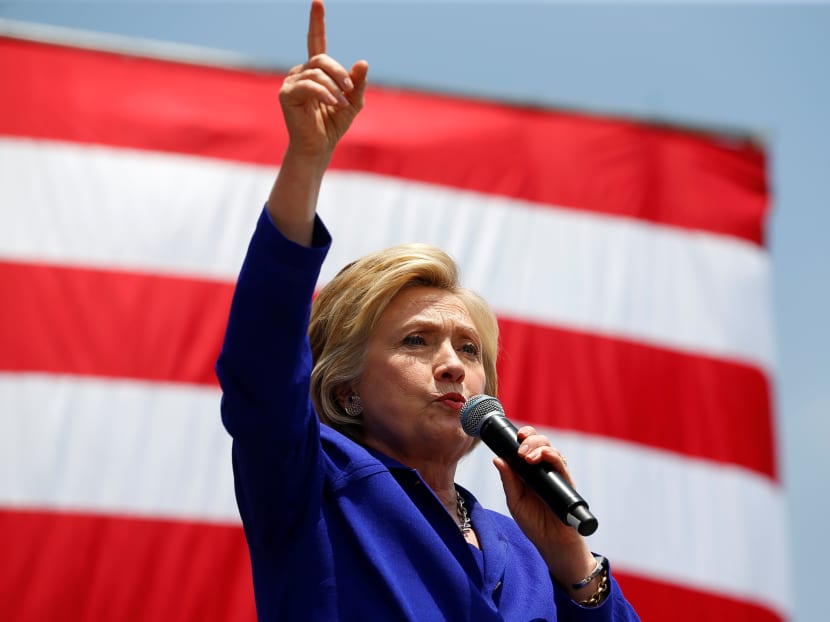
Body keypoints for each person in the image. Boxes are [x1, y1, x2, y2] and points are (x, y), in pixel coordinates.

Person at [216, 1, 641, 620]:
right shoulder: (315, 485)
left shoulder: (524, 550)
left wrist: (573, 564)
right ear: (346, 388)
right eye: (417, 341)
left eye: (469, 349)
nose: (453, 366)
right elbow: (261, 363)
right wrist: (306, 160)